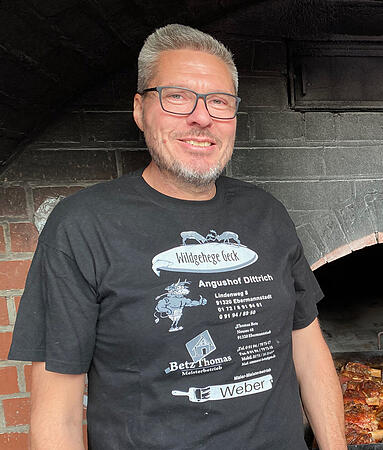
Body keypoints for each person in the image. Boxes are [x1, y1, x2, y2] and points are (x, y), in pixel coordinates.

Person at [8, 24, 346, 449]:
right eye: (178, 96)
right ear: (139, 109)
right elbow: (58, 412)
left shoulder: (268, 214)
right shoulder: (81, 226)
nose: (202, 117)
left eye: (219, 102)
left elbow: (309, 351)